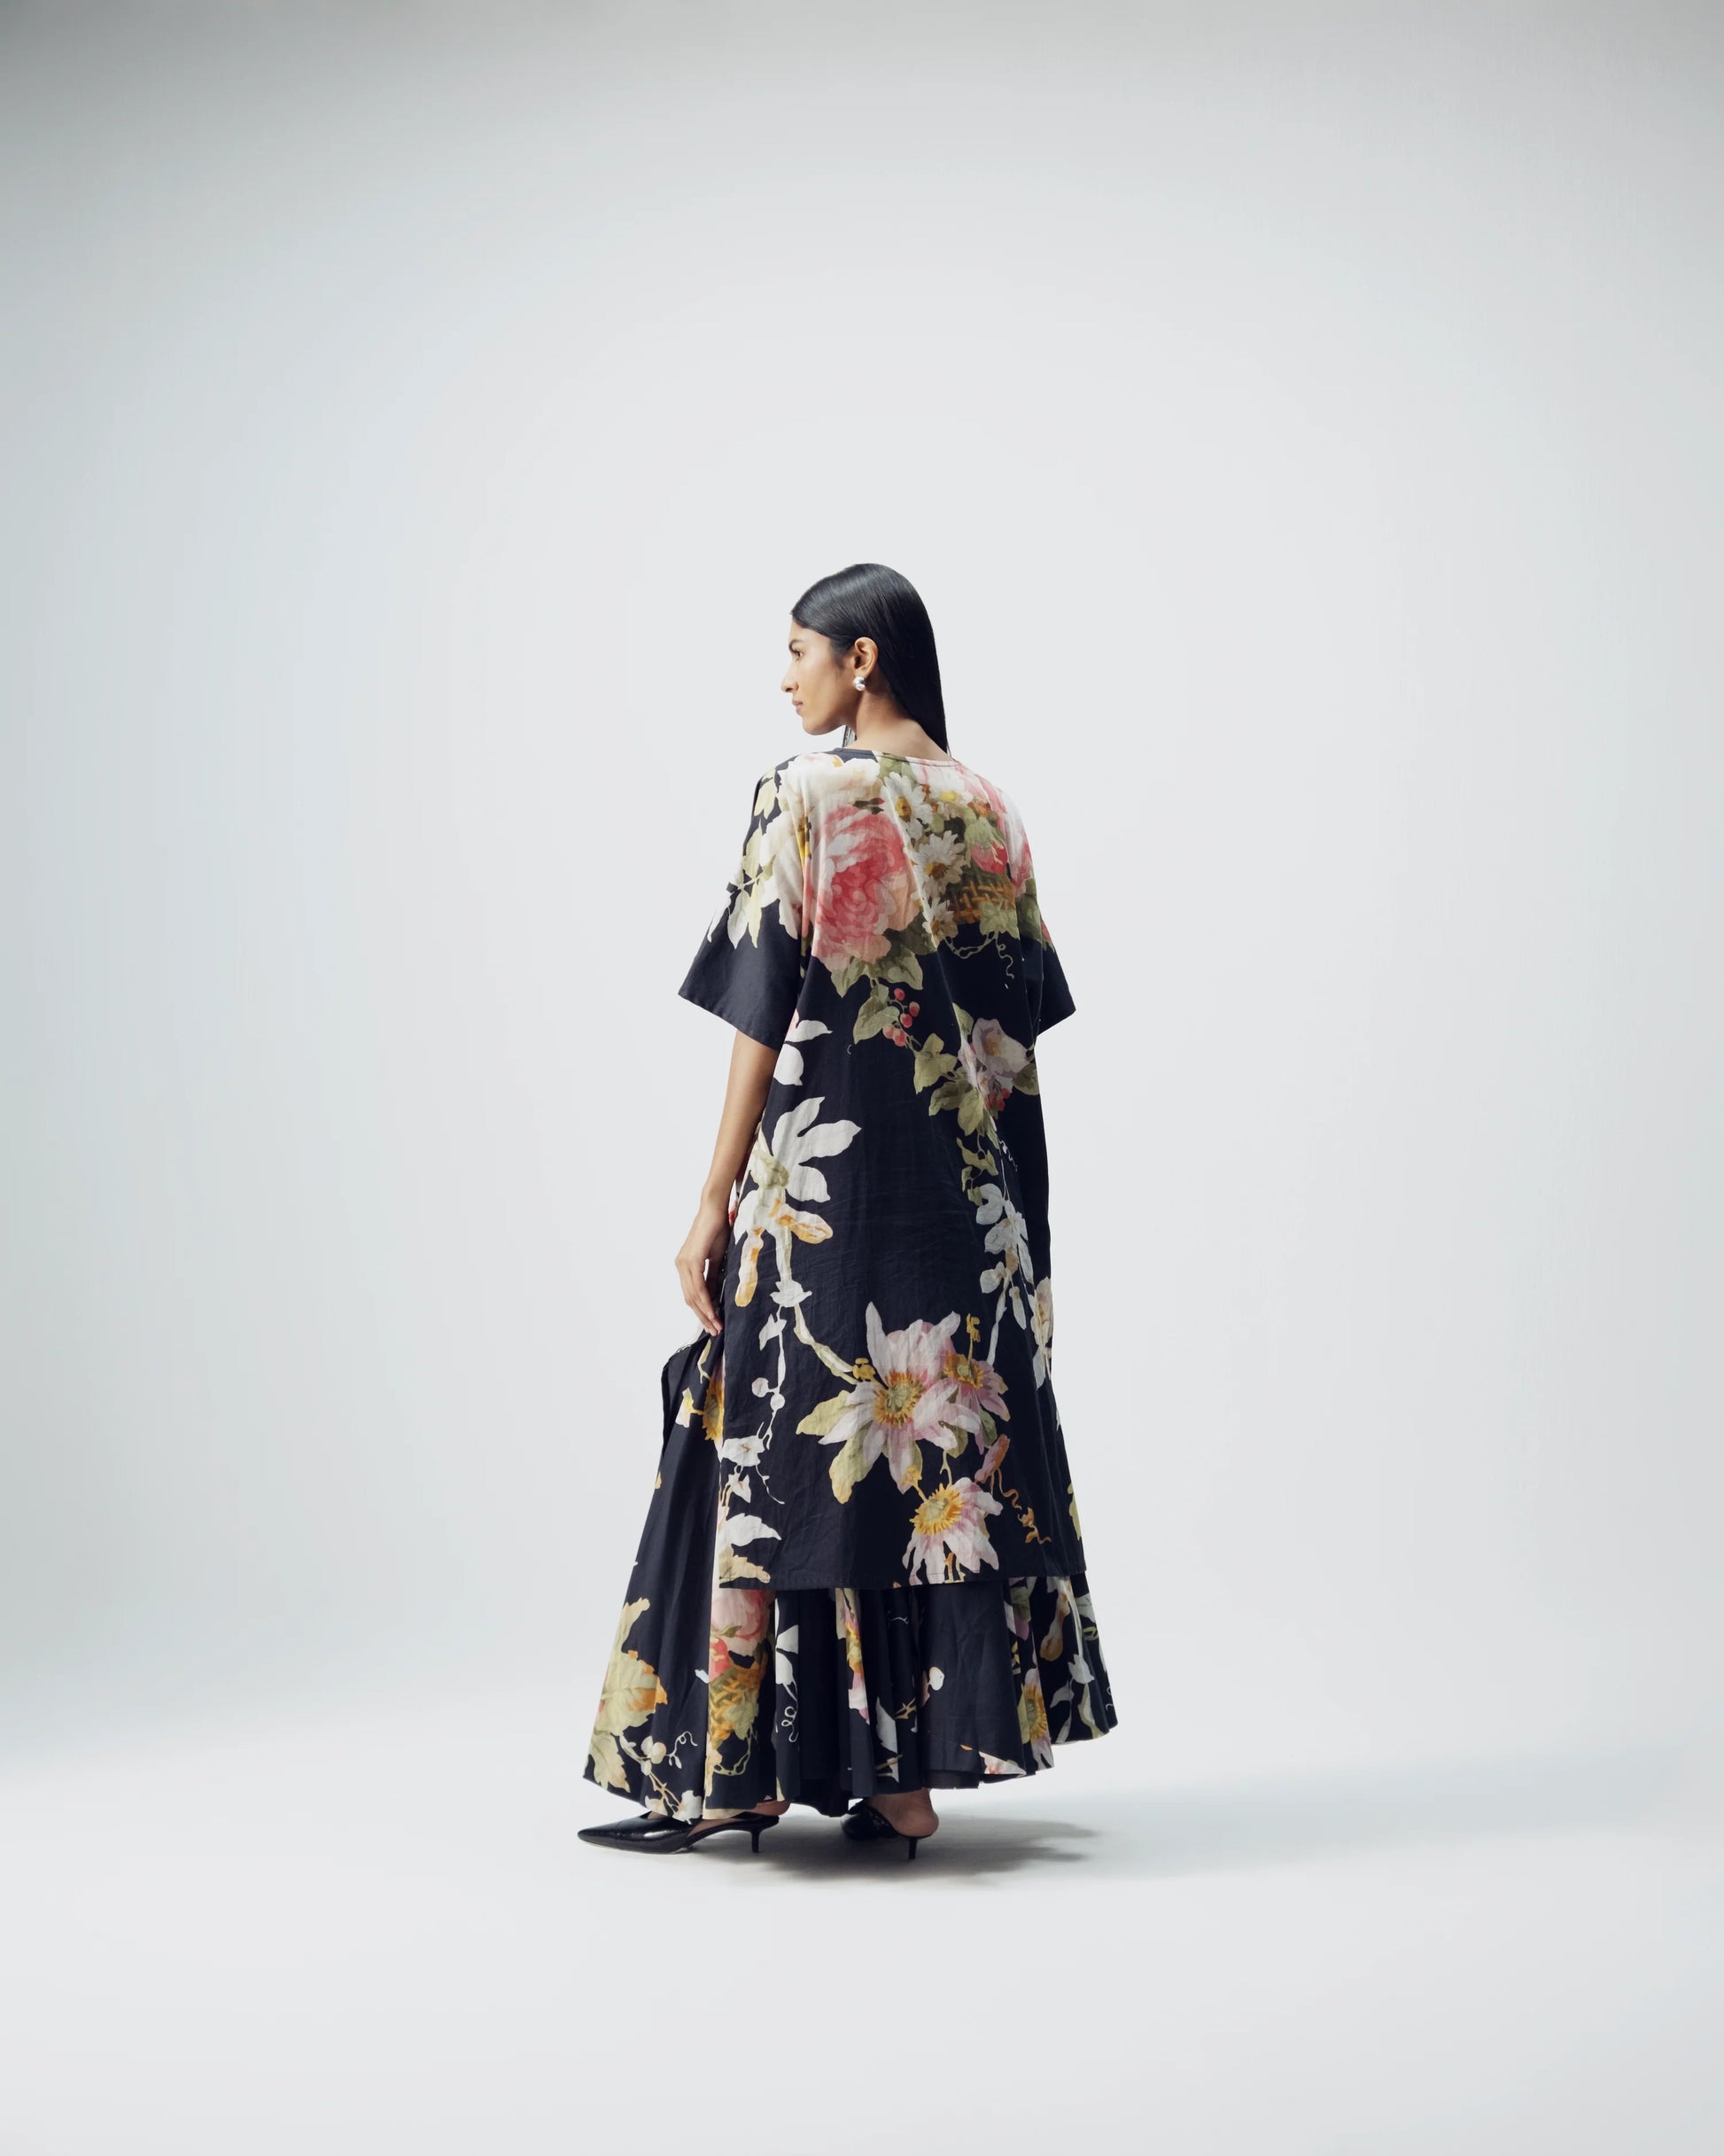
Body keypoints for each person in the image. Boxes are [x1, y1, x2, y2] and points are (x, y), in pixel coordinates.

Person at [579, 562, 1116, 1857]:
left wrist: (712, 1196)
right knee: (922, 1469)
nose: (786, 678)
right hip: (970, 1211)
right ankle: (897, 1785)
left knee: (787, 1454)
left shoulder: (808, 793)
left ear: (859, 658)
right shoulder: (990, 811)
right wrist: (1023, 1237)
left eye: (797, 651)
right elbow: (1014, 1041)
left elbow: (763, 1010)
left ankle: (745, 1776)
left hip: (831, 1192)